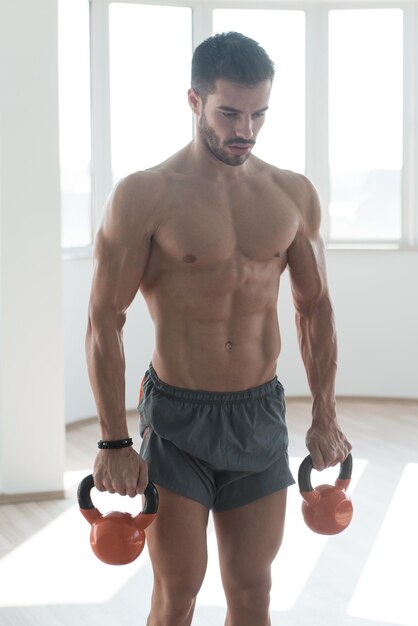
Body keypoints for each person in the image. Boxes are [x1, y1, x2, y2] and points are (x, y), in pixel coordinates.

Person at [86, 31, 352, 626]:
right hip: (178, 418)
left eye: (259, 113)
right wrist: (112, 440)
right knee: (177, 593)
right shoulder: (144, 196)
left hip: (257, 413)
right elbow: (106, 318)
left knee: (252, 591)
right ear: (194, 100)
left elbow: (316, 309)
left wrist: (326, 414)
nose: (246, 130)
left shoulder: (291, 194)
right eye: (229, 112)